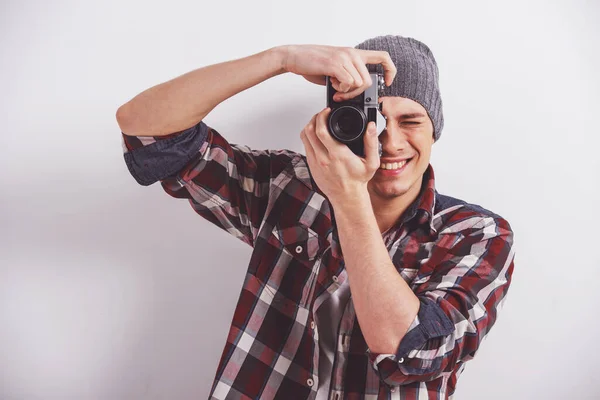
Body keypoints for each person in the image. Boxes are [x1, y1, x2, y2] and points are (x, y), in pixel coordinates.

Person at [116, 35, 515, 400]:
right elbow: (147, 132)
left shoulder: (476, 234)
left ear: (434, 132)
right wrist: (281, 58)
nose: (390, 143)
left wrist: (348, 196)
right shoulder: (290, 187)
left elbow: (408, 352)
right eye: (374, 120)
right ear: (345, 124)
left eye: (411, 122)